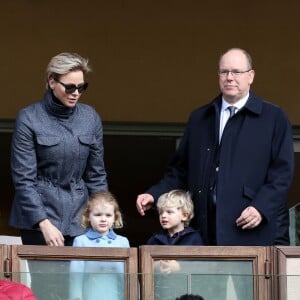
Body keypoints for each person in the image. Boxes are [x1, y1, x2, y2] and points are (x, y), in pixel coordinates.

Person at [136, 47, 294, 247]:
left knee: (253, 281)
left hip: (252, 232)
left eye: (236, 72)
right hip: (205, 234)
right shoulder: (200, 118)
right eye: (224, 72)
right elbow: (180, 171)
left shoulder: (273, 117)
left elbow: (281, 174)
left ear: (250, 76)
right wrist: (154, 193)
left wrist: (260, 208)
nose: (229, 77)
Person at [9, 52, 108, 299]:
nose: (76, 92)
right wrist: (43, 223)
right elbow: (24, 179)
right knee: (50, 289)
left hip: (80, 216)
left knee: (80, 289)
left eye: (82, 87)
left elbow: (96, 174)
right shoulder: (29, 118)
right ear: (52, 81)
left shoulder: (90, 118)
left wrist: (104, 215)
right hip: (39, 216)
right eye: (70, 87)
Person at [69, 190, 130, 300]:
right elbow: (75, 275)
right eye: (98, 215)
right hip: (90, 294)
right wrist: (76, 297)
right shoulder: (81, 241)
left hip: (116, 294)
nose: (103, 219)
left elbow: (128, 276)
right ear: (88, 216)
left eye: (108, 215)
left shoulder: (122, 242)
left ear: (115, 217)